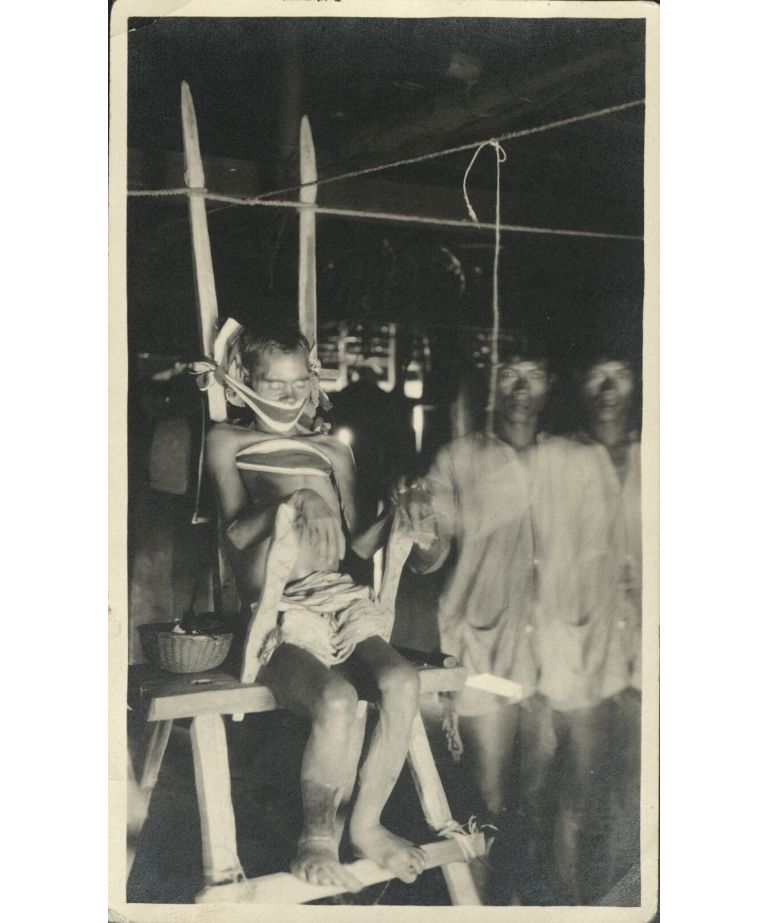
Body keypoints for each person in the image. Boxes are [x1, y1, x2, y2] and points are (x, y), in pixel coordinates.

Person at [205, 320, 426, 892]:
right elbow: (236, 533)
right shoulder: (228, 441)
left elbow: (358, 548)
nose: (289, 396)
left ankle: (368, 826)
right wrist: (298, 499)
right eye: (274, 385)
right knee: (337, 698)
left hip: (338, 598)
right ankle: (318, 838)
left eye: (299, 383)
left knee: (402, 681)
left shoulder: (332, 449)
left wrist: (394, 510)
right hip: (276, 609)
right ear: (242, 382)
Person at [402, 344, 614, 904]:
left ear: (550, 386)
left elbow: (600, 554)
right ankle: (489, 905)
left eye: (533, 374)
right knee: (489, 795)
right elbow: (428, 559)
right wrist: (416, 522)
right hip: (482, 645)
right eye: (508, 375)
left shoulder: (573, 460)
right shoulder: (458, 458)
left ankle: (538, 900)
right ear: (491, 385)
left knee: (544, 794)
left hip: (556, 652)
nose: (521, 388)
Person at [570, 352, 642, 898]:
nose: (609, 387)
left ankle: (619, 900)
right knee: (578, 782)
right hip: (578, 643)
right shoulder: (562, 457)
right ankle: (574, 899)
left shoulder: (658, 452)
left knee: (635, 784)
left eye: (620, 375)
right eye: (598, 374)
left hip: (646, 643)